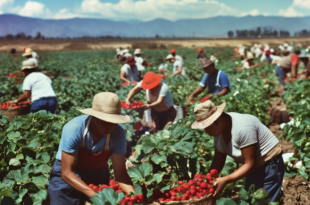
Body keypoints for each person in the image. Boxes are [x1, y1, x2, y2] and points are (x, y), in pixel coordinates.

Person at [48, 92, 136, 204]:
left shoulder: (118, 133)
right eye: (105, 122)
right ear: (94, 116)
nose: (110, 127)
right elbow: (66, 173)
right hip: (68, 177)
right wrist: (95, 196)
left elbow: (120, 174)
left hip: (97, 174)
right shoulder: (74, 129)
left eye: (114, 122)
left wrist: (134, 196)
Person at [191, 100, 284, 202]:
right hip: (252, 168)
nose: (206, 131)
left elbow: (250, 164)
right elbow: (218, 159)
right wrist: (207, 180)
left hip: (269, 165)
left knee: (264, 201)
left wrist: (225, 180)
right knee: (250, 199)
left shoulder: (243, 127)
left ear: (216, 120)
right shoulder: (219, 130)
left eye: (207, 127)